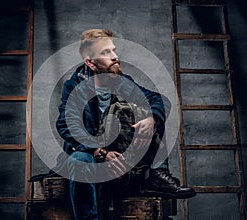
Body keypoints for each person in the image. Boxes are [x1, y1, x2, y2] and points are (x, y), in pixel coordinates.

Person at [55, 29, 195, 220]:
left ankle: (157, 174)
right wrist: (99, 152)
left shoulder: (121, 82)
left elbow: (158, 99)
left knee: (152, 114)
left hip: (119, 154)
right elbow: (67, 124)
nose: (115, 57)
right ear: (90, 62)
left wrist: (152, 119)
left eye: (113, 50)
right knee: (80, 159)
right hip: (88, 151)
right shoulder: (74, 87)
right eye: (105, 53)